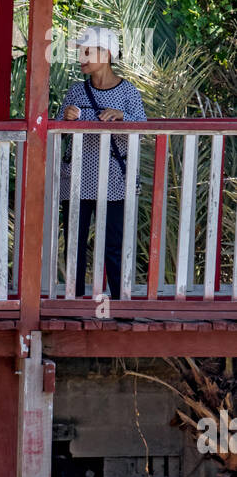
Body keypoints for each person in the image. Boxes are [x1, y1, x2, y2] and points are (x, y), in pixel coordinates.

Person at [58, 26, 146, 299]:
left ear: (106, 54)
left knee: (114, 244)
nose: (81, 57)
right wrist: (67, 118)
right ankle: (75, 302)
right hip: (76, 179)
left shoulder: (128, 92)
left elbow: (143, 128)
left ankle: (119, 301)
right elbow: (57, 126)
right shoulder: (75, 90)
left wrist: (122, 116)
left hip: (115, 181)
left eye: (87, 52)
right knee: (75, 243)